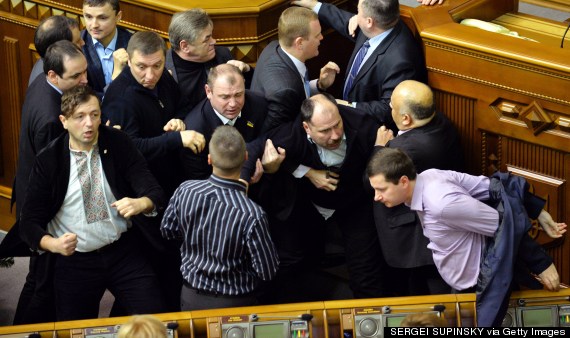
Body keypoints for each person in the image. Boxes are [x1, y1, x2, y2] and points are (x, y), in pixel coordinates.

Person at [367, 147, 567, 326]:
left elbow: (505, 224)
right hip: (461, 283)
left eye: (381, 189)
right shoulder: (429, 176)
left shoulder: (442, 205)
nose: (376, 197)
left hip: (478, 287)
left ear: (403, 181)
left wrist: (541, 263)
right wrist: (537, 210)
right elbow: (490, 186)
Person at [17, 85, 166, 321]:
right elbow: (29, 222)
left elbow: (152, 189)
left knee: (155, 318)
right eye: (80, 117)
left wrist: (143, 203)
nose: (89, 123)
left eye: (94, 115)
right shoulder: (49, 160)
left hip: (122, 252)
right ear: (64, 121)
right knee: (75, 328)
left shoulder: (117, 142)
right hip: (75, 261)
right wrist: (53, 244)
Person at [102, 31, 205, 312]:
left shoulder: (164, 79)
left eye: (157, 66)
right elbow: (130, 147)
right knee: (150, 273)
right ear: (129, 61)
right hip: (140, 196)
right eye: (141, 67)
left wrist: (178, 121)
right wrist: (175, 140)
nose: (150, 75)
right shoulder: (119, 97)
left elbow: (183, 104)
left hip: (170, 184)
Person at [260, 93, 386, 302]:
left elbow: (376, 178)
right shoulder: (291, 135)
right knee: (294, 261)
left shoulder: (364, 126)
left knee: (366, 272)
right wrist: (306, 172)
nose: (335, 135)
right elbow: (265, 150)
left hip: (355, 203)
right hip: (308, 206)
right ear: (307, 128)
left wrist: (378, 150)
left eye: (337, 125)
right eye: (325, 131)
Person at [3, 40, 88, 324]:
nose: (84, 80)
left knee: (39, 280)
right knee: (42, 284)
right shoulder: (53, 119)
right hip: (45, 214)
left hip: (29, 193)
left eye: (84, 72)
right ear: (53, 75)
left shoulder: (40, 80)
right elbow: (55, 175)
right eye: (76, 76)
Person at [161, 125, 279, 310]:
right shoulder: (252, 214)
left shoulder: (185, 190)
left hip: (190, 297)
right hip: (236, 303)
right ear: (246, 158)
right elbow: (267, 270)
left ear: (209, 159)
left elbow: (168, 231)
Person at [372, 80, 463, 296]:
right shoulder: (442, 122)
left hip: (414, 237)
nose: (390, 109)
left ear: (406, 118)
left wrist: (379, 147)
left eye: (392, 107)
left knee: (418, 292)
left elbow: (370, 182)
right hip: (442, 225)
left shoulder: (402, 149)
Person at [292, 0, 427, 132]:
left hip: (366, 129)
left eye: (358, 11)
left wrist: (349, 106)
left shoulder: (401, 61)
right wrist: (314, 5)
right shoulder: (383, 24)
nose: (355, 17)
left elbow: (388, 109)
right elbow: (345, 21)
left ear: (369, 22)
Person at [250, 6, 340, 134]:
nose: (321, 38)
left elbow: (299, 88)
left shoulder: (274, 47)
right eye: (317, 35)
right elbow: (275, 136)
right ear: (299, 43)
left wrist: (319, 85)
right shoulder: (285, 92)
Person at [180, 64, 267, 181]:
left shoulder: (259, 103)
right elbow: (199, 180)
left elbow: (266, 139)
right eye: (225, 97)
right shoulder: (195, 128)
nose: (233, 104)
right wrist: (241, 181)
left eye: (238, 95)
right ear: (208, 91)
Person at [166, 8, 252, 110]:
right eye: (206, 39)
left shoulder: (222, 55)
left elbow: (246, 92)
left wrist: (247, 70)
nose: (214, 41)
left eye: (211, 36)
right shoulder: (165, 72)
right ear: (185, 46)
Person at [81, 0, 132, 97]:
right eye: (88, 17)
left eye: (102, 18)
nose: (94, 25)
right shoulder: (76, 45)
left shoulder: (133, 44)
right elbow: (78, 95)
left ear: (118, 17)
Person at [28, 15, 85, 85]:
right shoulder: (60, 82)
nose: (83, 43)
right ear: (59, 48)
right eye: (78, 41)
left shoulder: (52, 64)